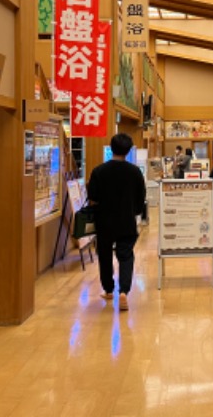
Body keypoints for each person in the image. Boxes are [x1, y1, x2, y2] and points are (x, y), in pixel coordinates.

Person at [87, 133, 147, 310]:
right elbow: (140, 198)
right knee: (126, 255)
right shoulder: (135, 172)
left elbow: (93, 198)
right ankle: (124, 292)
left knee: (104, 255)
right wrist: (134, 212)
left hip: (104, 221)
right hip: (126, 221)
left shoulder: (98, 171)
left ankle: (108, 289)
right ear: (128, 151)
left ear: (111, 148)